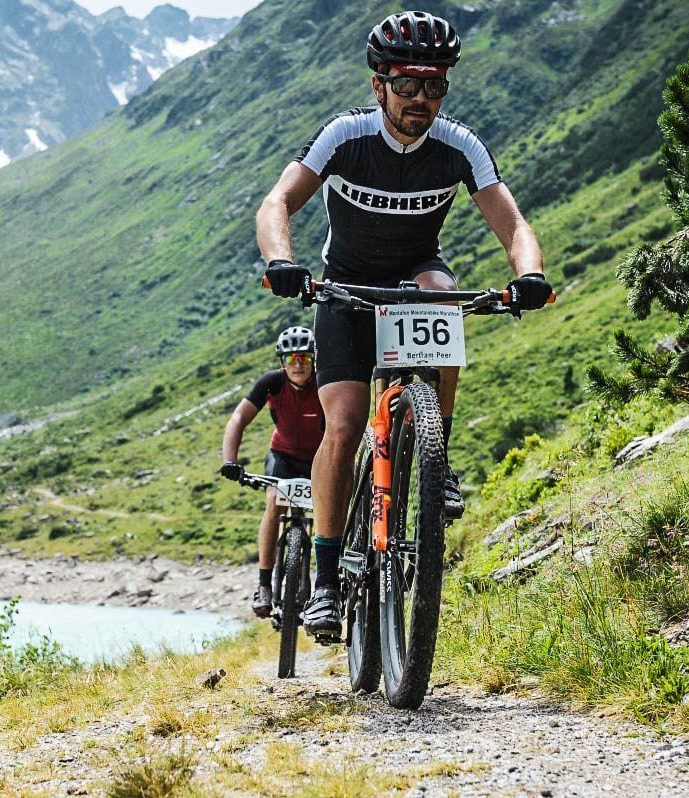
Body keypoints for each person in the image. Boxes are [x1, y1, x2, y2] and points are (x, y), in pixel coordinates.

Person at [254, 10, 553, 636]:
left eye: (435, 85)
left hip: (414, 276)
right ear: (379, 85)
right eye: (408, 85)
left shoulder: (459, 146)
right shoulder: (345, 135)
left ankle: (434, 455)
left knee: (443, 293)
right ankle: (329, 580)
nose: (422, 99)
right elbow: (278, 201)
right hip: (343, 287)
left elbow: (513, 224)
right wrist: (282, 261)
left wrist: (527, 273)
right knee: (342, 425)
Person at [220, 326, 324, 617]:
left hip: (320, 459)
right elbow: (238, 418)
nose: (299, 364)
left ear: (314, 358)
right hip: (283, 457)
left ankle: (330, 584)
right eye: (292, 359)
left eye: (304, 357)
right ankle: (264, 585)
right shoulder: (271, 383)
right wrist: (230, 460)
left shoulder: (325, 382)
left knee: (332, 511)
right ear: (282, 362)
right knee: (273, 505)